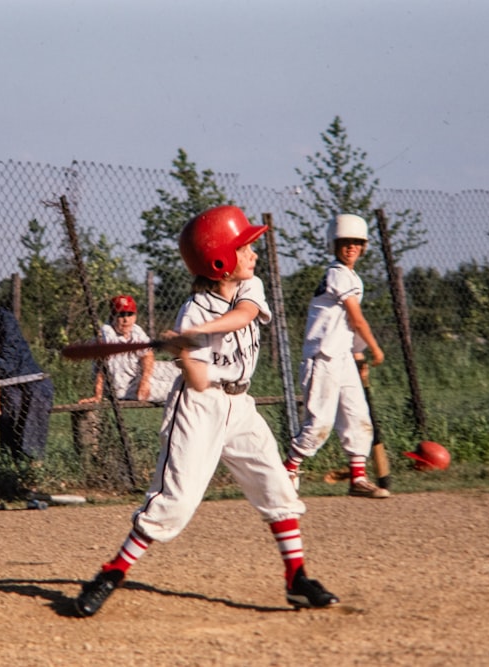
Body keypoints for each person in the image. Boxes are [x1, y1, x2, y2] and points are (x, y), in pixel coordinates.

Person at [74, 205, 339, 617]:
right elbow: (198, 380)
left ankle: (296, 578)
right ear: (220, 263)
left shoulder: (249, 288)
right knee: (174, 503)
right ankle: (111, 572)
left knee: (278, 487)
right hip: (200, 408)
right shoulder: (192, 312)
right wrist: (184, 350)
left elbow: (244, 315)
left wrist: (199, 335)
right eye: (245, 247)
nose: (253, 253)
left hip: (241, 405)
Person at [284, 213, 389, 499]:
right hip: (322, 358)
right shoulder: (337, 273)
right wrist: (376, 348)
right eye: (345, 242)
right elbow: (357, 320)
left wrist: (358, 356)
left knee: (358, 417)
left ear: (364, 246)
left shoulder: (351, 276)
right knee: (319, 424)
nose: (351, 247)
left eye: (357, 242)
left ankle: (358, 478)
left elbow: (344, 325)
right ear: (334, 244)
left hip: (341, 358)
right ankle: (286, 471)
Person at [0, 290, 54, 481]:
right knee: (11, 404)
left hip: (29, 377)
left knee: (36, 398)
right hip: (3, 385)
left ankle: (34, 467)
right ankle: (12, 469)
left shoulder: (1, 318)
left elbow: (10, 356)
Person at [78, 294, 179, 405]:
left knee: (180, 369)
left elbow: (147, 355)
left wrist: (144, 380)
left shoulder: (135, 330)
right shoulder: (106, 334)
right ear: (112, 316)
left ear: (135, 316)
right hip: (124, 387)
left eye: (130, 314)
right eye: (121, 315)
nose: (126, 319)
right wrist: (98, 395)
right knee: (178, 389)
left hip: (138, 375)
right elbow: (100, 367)